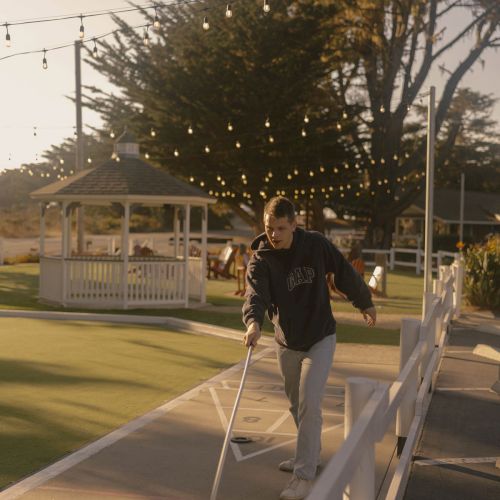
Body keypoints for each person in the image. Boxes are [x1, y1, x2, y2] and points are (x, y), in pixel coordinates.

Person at [242, 196, 376, 500]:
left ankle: (304, 477)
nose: (274, 234)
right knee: (296, 405)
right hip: (286, 343)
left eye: (280, 228)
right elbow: (255, 296)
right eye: (269, 228)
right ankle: (310, 456)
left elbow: (342, 270)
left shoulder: (315, 245)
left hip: (320, 337)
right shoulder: (261, 259)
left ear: (294, 225)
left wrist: (364, 302)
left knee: (310, 402)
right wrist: (253, 324)